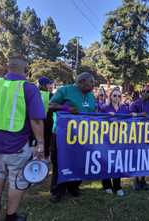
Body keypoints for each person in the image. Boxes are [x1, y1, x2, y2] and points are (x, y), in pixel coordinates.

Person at [0, 55, 45, 221]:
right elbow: (36, 120)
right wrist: (40, 144)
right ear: (26, 70)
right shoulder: (28, 88)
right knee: (17, 179)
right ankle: (11, 216)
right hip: (16, 144)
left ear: (8, 68)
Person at [49, 72, 96, 203]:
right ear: (81, 82)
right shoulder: (65, 90)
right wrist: (66, 108)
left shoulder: (91, 96)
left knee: (79, 161)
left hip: (83, 135)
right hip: (62, 134)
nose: (93, 85)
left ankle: (74, 187)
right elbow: (51, 105)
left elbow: (95, 112)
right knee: (60, 161)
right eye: (91, 82)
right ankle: (57, 190)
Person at [100, 87, 128, 197]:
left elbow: (130, 120)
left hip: (119, 140)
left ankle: (117, 186)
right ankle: (107, 185)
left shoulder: (125, 108)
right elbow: (98, 121)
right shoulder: (104, 107)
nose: (117, 98)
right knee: (106, 161)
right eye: (114, 95)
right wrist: (108, 118)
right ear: (110, 96)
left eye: (119, 96)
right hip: (107, 139)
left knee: (117, 162)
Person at [37, 76, 54, 159]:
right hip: (47, 121)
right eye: (48, 84)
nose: (50, 86)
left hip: (35, 121)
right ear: (44, 85)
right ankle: (46, 157)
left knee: (37, 140)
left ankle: (36, 157)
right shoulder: (50, 95)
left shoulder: (35, 94)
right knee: (47, 140)